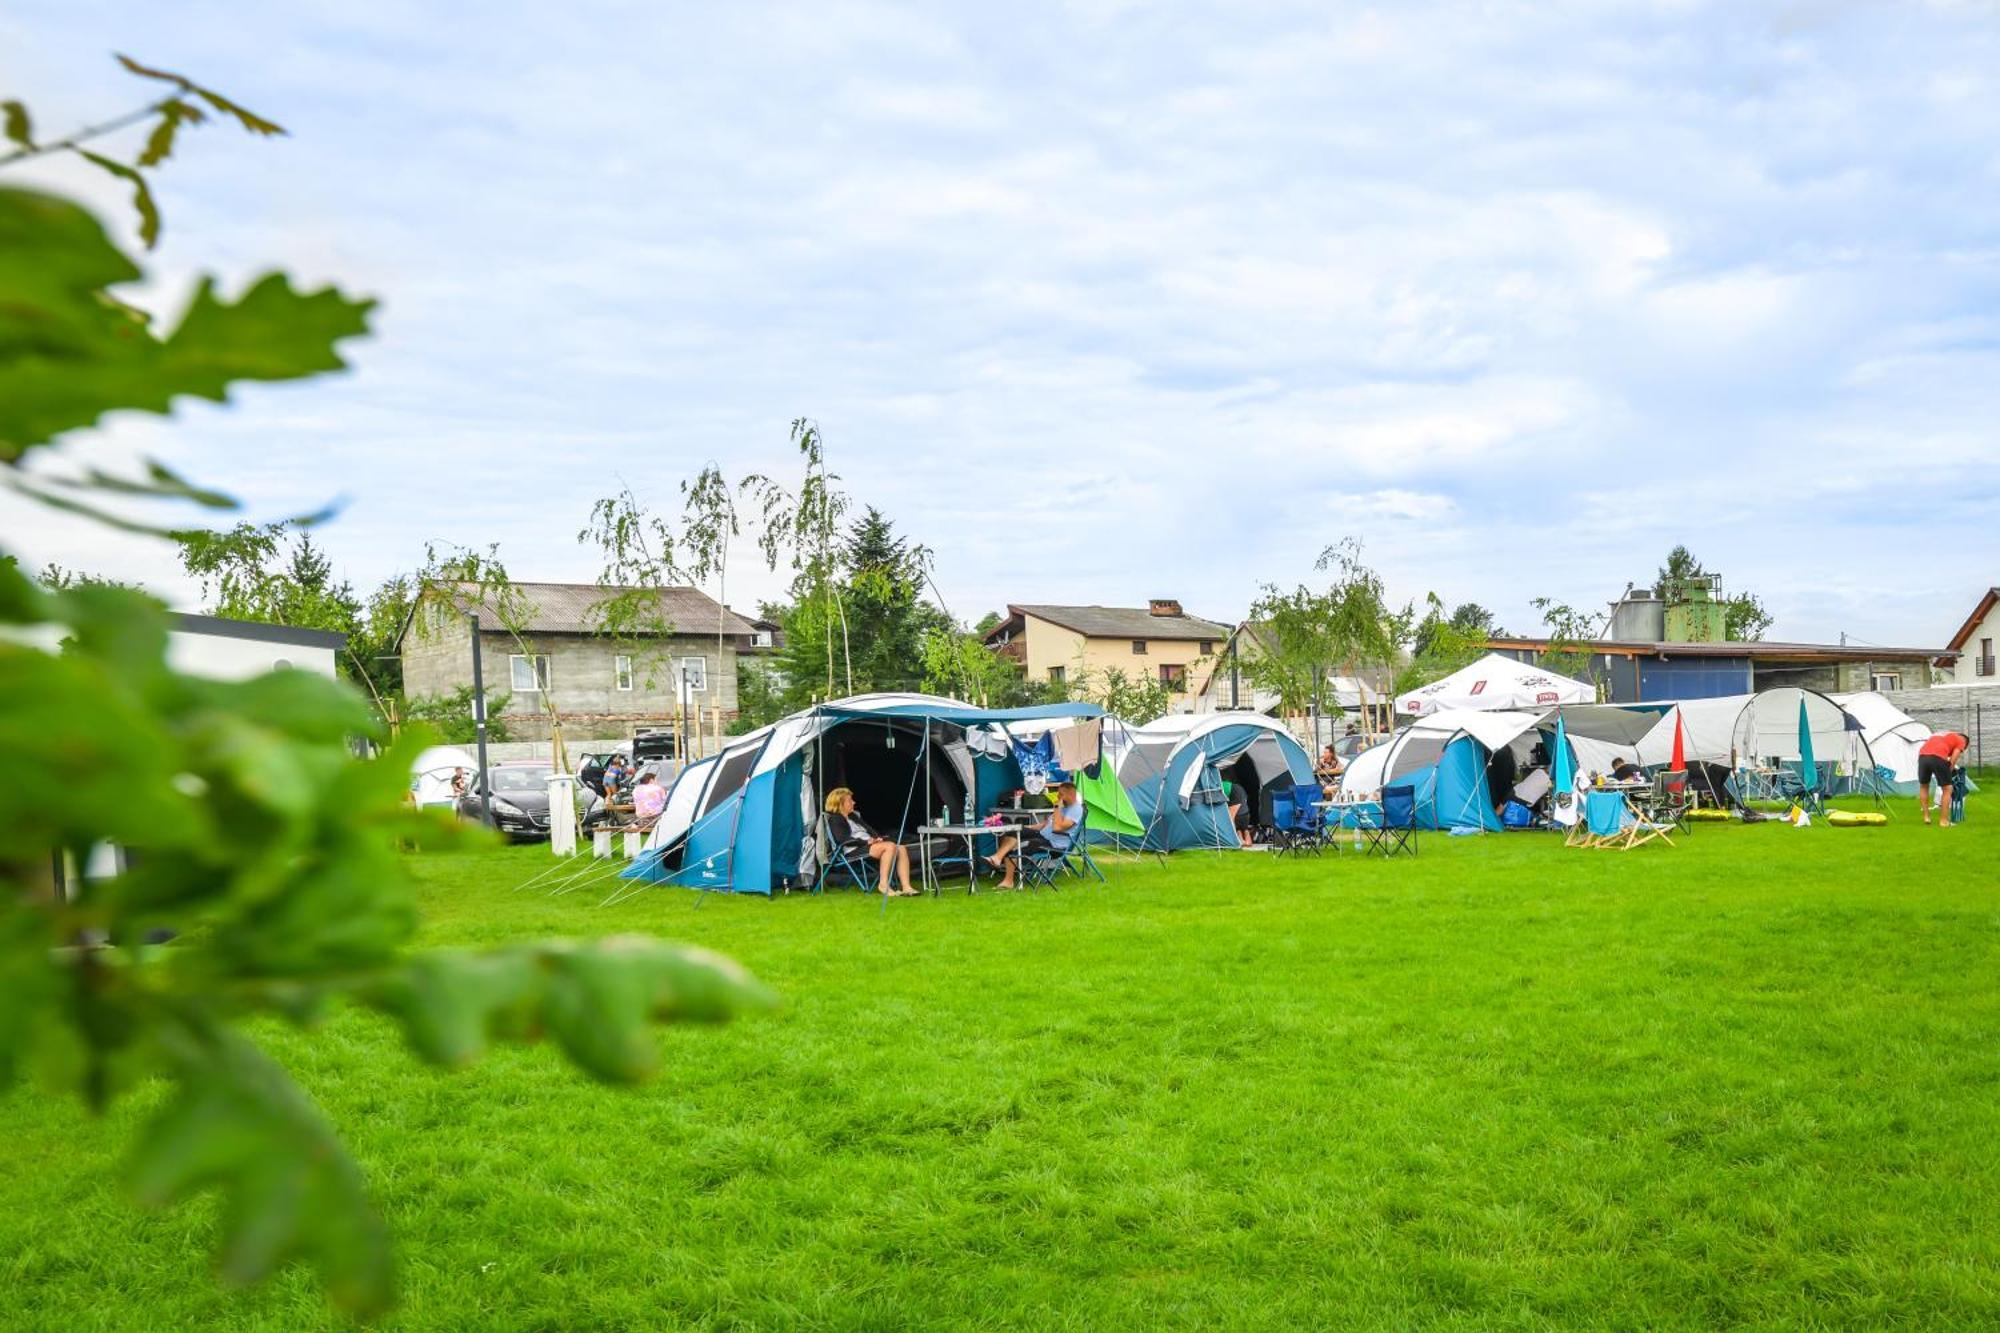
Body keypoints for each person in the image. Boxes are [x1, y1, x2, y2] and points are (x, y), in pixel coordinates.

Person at [988, 780, 1083, 888]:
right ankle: (997, 857)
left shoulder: (1075, 809)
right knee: (1014, 831)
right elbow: (1045, 824)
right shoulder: (1063, 807)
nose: (1058, 796)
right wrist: (1025, 828)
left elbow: (1057, 828)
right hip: (1041, 835)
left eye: (1061, 794)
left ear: (1071, 794)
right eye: (1058, 793)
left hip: (1054, 845)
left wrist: (1057, 808)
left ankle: (1008, 881)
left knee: (1017, 848)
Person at [825, 787, 917, 895]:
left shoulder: (853, 816)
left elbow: (870, 830)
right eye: (850, 800)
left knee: (901, 848)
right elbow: (842, 839)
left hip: (869, 845)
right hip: (853, 849)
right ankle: (883, 884)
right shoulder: (835, 819)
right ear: (840, 803)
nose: (854, 802)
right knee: (890, 846)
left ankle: (906, 887)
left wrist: (877, 838)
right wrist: (866, 842)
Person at [1916, 731, 1969, 827]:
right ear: (1965, 743)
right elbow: (1955, 755)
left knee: (1924, 786)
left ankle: (1926, 816)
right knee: (1948, 789)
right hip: (1937, 757)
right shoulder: (1961, 741)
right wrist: (1950, 769)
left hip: (1922, 756)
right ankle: (1943, 821)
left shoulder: (1943, 734)